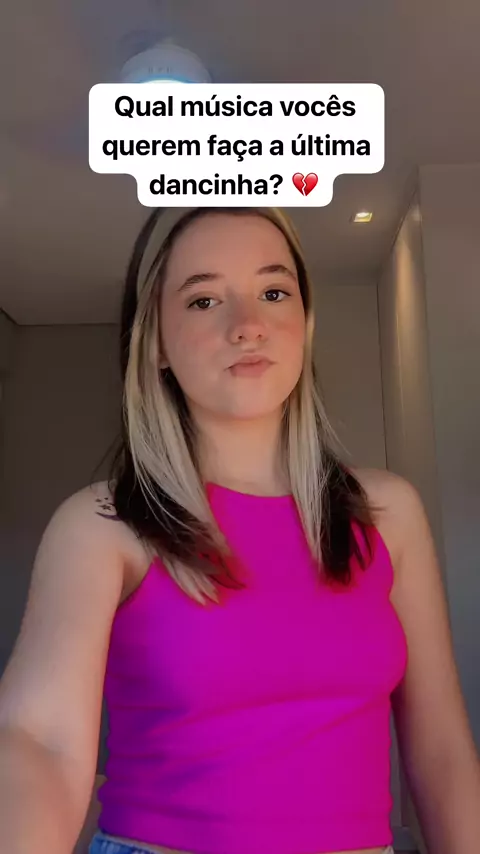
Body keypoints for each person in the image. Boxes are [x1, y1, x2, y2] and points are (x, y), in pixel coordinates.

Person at [0, 207, 478, 854]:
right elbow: (41, 742)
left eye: (274, 292)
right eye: (203, 300)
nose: (248, 325)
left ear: (304, 323)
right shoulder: (101, 525)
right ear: (155, 342)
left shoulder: (388, 513)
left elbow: (442, 749)